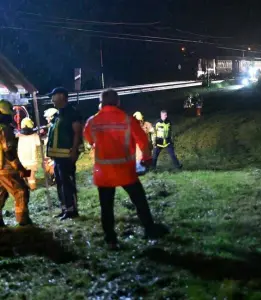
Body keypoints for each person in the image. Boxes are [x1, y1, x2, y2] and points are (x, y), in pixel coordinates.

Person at [83, 89, 169, 248]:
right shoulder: (128, 119)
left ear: (101, 102)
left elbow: (88, 138)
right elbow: (143, 140)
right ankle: (149, 229)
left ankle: (110, 239)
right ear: (118, 102)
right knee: (140, 201)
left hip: (104, 173)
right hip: (125, 171)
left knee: (106, 207)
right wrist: (146, 158)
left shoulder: (92, 121)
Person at [47, 87, 83, 220]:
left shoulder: (71, 113)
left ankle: (72, 210)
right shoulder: (58, 114)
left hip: (67, 155)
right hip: (58, 157)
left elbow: (77, 132)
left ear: (62, 96)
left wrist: (74, 150)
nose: (51, 99)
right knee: (61, 183)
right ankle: (65, 209)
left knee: (68, 183)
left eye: (53, 96)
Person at [0, 100, 32, 227]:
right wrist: (17, 166)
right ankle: (23, 221)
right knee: (21, 191)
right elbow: (8, 149)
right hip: (6, 167)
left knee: (1, 193)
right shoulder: (5, 129)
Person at [16, 117, 40, 191]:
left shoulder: (19, 135)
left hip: (22, 159)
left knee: (25, 175)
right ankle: (33, 188)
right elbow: (38, 143)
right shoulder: (35, 135)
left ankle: (25, 189)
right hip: (32, 160)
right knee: (31, 177)